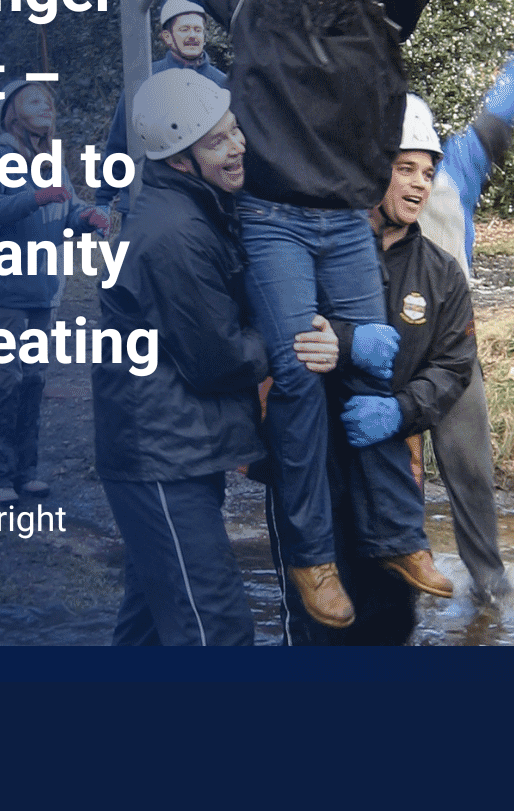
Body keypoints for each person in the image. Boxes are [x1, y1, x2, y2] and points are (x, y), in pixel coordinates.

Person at [150, 0, 514, 628]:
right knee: (295, 377)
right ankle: (313, 555)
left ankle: (397, 536)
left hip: (347, 219)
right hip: (276, 219)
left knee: (372, 373)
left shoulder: (379, 6)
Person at [92, 69, 338, 646]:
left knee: (149, 627)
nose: (238, 147)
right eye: (217, 141)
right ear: (180, 161)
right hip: (161, 458)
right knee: (216, 627)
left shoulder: (199, 208)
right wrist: (293, 336)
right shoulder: (175, 233)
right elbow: (219, 359)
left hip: (177, 450)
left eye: (234, 131)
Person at [271, 98, 477, 644]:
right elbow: (278, 325)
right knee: (317, 628)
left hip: (392, 468)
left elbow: (454, 365)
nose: (419, 186)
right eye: (405, 169)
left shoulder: (442, 274)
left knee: (392, 623)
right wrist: (344, 341)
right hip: (316, 465)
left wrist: (402, 410)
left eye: (428, 174)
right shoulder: (312, 250)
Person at [415, 16, 514, 602]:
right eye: (401, 164)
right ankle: (399, 573)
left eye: (422, 162)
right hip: (389, 350)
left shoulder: (457, 170)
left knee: (470, 473)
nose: (416, 178)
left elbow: (495, 120)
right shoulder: (356, 191)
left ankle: (489, 584)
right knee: (395, 476)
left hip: (452, 348)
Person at [0, 79, 108, 504]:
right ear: (12, 113)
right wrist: (34, 197)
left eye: (48, 101)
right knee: (1, 382)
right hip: (6, 293)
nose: (45, 106)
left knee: (32, 381)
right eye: (33, 100)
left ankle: (24, 472)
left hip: (45, 292)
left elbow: (67, 210)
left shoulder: (51, 161)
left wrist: (86, 217)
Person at [95, 0, 226, 223]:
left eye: (198, 30)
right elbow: (120, 142)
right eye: (184, 29)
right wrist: (103, 199)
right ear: (167, 37)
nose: (193, 36)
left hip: (203, 204)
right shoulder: (143, 80)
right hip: (146, 201)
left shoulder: (222, 85)